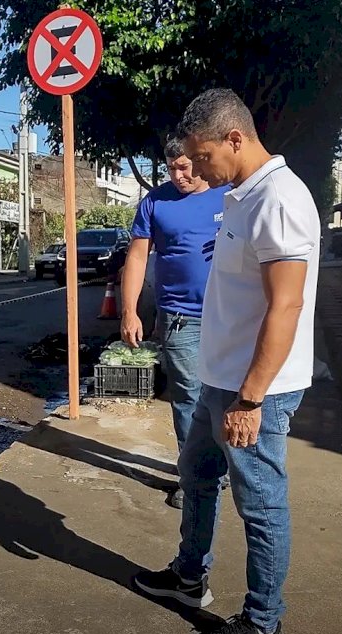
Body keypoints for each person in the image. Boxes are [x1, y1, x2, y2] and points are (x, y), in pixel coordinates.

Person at [134, 89, 320, 634]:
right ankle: (190, 575)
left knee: (260, 503)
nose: (199, 168)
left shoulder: (280, 200)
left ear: (234, 139)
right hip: (221, 378)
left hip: (254, 388)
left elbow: (285, 307)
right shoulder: (242, 194)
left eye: (205, 156)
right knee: (197, 474)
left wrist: (251, 397)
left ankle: (263, 625)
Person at [121, 137, 230, 509]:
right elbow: (136, 259)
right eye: (172, 169)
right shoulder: (155, 202)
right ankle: (195, 477)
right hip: (179, 316)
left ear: (199, 160)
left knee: (225, 393)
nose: (179, 175)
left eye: (185, 167)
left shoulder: (228, 194)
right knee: (188, 398)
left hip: (229, 315)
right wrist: (130, 311)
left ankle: (224, 467)